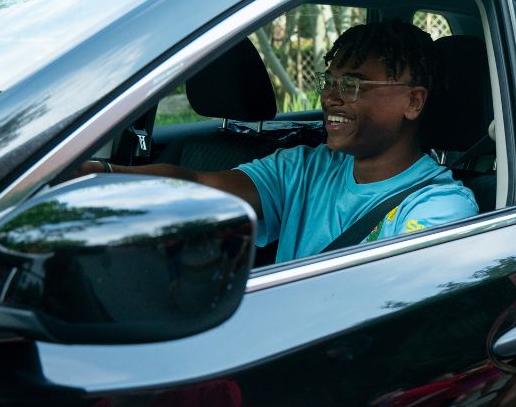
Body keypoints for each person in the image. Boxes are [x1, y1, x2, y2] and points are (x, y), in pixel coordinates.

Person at [79, 20, 478, 263]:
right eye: (330, 81)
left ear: (413, 101)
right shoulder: (305, 166)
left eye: (351, 83)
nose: (330, 97)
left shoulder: (439, 207)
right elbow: (200, 187)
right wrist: (100, 176)